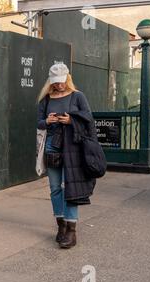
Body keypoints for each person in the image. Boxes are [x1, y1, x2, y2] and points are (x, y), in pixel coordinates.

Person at [37, 63, 96, 249]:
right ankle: (60, 226)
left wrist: (71, 120)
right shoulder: (46, 99)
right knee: (55, 188)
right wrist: (47, 121)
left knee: (70, 187)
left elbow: (89, 120)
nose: (59, 85)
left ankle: (71, 230)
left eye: (62, 82)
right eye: (56, 82)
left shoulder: (78, 96)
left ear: (67, 79)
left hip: (72, 148)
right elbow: (38, 123)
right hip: (52, 146)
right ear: (50, 81)